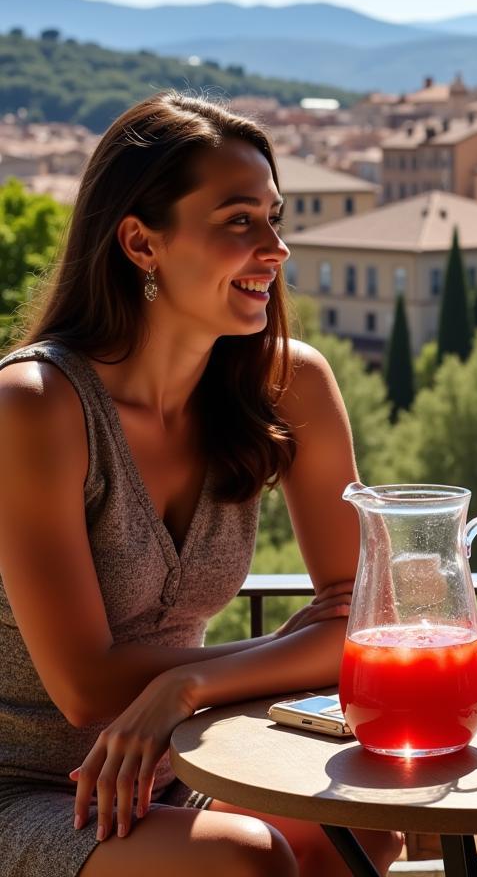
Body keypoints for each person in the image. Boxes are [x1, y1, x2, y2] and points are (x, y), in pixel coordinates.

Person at [0, 93, 403, 877]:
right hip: (22, 789)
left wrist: (190, 687)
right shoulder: (35, 406)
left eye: (276, 218)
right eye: (239, 221)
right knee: (245, 860)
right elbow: (85, 687)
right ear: (141, 243)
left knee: (363, 825)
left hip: (180, 767)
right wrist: (231, 670)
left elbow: (366, 618)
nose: (276, 248)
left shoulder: (290, 385)